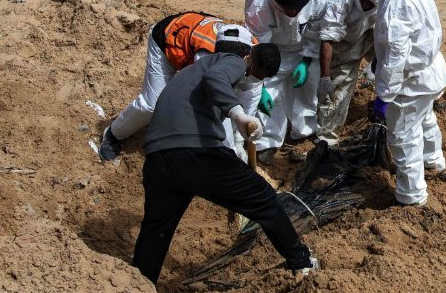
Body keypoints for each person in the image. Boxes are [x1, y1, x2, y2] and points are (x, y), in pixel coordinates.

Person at [130, 41, 318, 283]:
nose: (250, 78)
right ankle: (302, 263)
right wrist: (238, 115)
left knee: (157, 231)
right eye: (253, 74)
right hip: (195, 154)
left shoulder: (192, 74)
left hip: (159, 160)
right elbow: (215, 79)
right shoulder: (231, 61)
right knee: (265, 198)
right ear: (250, 57)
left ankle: (139, 284)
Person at [361, 0, 446, 206]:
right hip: (431, 70)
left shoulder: (399, 3)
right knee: (424, 118)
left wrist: (384, 95)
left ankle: (411, 195)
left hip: (412, 81)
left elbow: (395, 57)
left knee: (402, 136)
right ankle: (433, 161)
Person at [100, 14, 259, 161]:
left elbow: (251, 95)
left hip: (193, 39)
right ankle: (113, 134)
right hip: (167, 42)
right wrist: (228, 151)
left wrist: (239, 141)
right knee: (152, 105)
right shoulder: (207, 56)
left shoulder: (256, 55)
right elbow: (214, 102)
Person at [244, 0, 328, 160]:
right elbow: (258, 48)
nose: (292, 14)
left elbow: (316, 32)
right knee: (271, 94)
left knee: (308, 89)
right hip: (273, 49)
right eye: (287, 11)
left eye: (296, 11)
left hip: (303, 48)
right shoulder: (259, 4)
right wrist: (260, 86)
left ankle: (304, 133)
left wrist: (306, 61)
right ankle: (268, 142)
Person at [315, 0, 379, 144]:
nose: (365, 6)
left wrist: (376, 65)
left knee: (391, 65)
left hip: (369, 34)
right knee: (339, 84)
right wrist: (325, 77)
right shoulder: (342, 0)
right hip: (342, 41)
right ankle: (327, 134)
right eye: (363, 2)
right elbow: (328, 39)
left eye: (370, 5)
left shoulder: (384, 1)